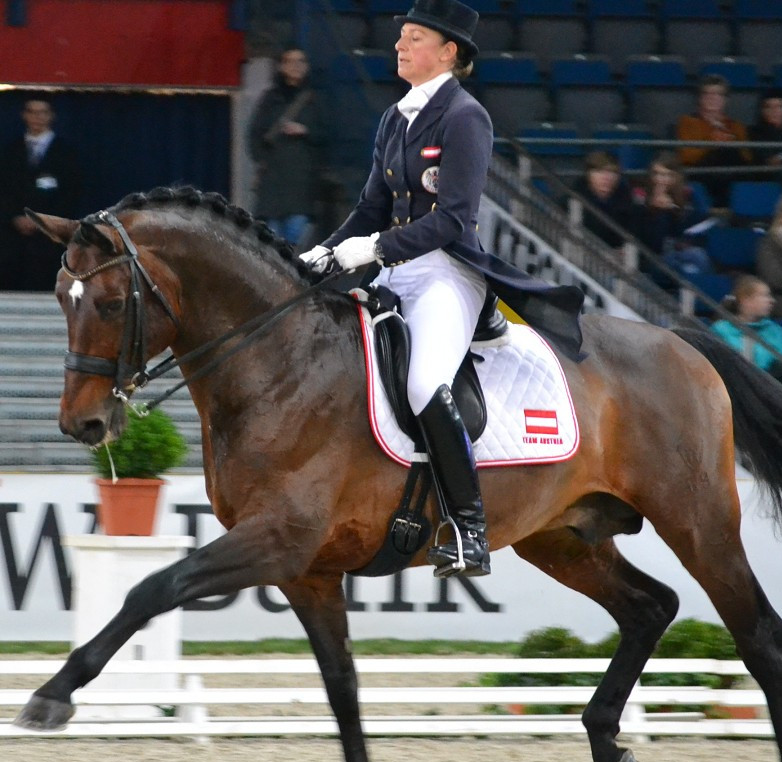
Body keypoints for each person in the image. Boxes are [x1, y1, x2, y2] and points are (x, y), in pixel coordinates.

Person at [297, 0, 584, 579]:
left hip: (446, 274)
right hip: (395, 271)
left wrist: (374, 249)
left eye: (413, 38)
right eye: (400, 37)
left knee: (426, 381)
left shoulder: (464, 116)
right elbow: (371, 208)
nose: (399, 46)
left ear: (448, 52)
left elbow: (453, 218)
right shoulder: (394, 118)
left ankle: (468, 528)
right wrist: (325, 250)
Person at [0, 95, 82, 291]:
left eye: (42, 112)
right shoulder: (9, 152)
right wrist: (14, 217)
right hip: (12, 240)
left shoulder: (66, 154)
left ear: (51, 116)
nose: (37, 117)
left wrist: (41, 221)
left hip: (49, 241)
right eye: (32, 112)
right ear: (24, 115)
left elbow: (71, 194)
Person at [248, 46, 322, 249]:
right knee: (269, 248)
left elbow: (327, 135)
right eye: (290, 61)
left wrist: (304, 131)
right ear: (281, 66)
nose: (296, 67)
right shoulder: (270, 99)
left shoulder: (315, 100)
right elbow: (254, 136)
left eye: (301, 62)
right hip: (272, 186)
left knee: (292, 246)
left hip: (302, 187)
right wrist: (263, 161)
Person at [631, 152, 711, 279]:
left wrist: (675, 211)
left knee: (698, 256)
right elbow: (648, 241)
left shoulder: (688, 195)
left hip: (681, 251)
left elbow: (697, 227)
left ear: (676, 176)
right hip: (652, 256)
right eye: (657, 174)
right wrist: (656, 211)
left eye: (667, 175)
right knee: (680, 266)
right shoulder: (641, 196)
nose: (661, 180)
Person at [675, 75, 751, 206]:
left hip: (731, 172)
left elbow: (747, 157)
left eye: (718, 94)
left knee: (730, 153)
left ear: (725, 99)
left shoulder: (736, 126)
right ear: (700, 98)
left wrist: (729, 142)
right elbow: (686, 156)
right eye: (707, 93)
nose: (712, 98)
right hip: (700, 171)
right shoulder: (688, 122)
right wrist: (712, 143)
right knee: (720, 152)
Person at [711, 276, 782, 372]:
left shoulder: (776, 330)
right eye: (764, 295)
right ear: (746, 300)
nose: (771, 301)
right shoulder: (720, 329)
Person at [575, 151, 634, 249]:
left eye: (612, 172)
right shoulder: (570, 202)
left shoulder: (628, 203)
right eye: (599, 171)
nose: (606, 177)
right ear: (588, 174)